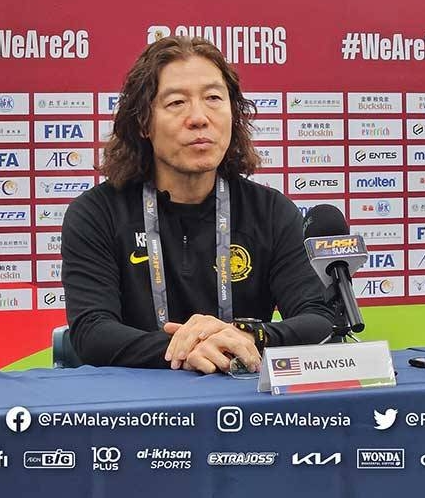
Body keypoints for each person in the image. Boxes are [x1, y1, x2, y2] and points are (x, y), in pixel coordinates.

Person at [62, 36, 334, 373]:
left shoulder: (271, 212)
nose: (198, 117)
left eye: (213, 98)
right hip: (138, 399)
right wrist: (188, 348)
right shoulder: (97, 214)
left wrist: (248, 336)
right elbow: (92, 332)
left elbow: (320, 319)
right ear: (144, 122)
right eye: (177, 102)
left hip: (245, 397)